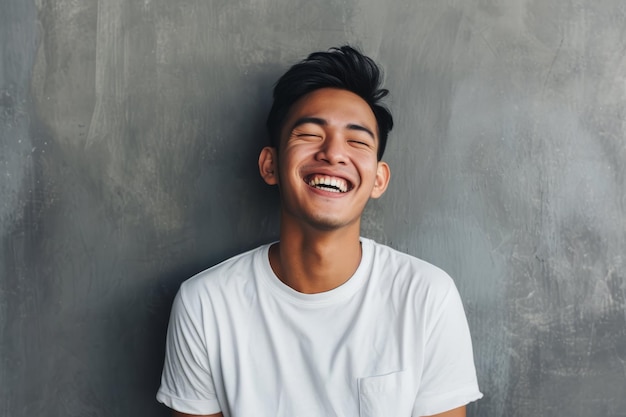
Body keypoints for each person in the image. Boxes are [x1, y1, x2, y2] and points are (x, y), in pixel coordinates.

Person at [156, 45, 482, 417]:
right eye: (310, 134)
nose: (333, 153)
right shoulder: (205, 305)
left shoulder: (426, 297)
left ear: (378, 179)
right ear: (270, 165)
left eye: (357, 141)